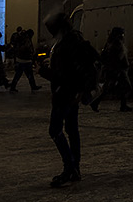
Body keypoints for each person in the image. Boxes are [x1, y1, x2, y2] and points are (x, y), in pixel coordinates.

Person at [38, 12, 99, 188]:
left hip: (65, 93)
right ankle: (74, 168)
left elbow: (64, 76)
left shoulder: (67, 44)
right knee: (72, 130)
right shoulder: (74, 40)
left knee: (55, 130)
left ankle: (70, 168)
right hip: (73, 93)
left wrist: (44, 72)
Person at [91, 27, 132, 112]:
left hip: (114, 69)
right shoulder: (117, 43)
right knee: (125, 86)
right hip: (118, 69)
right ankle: (122, 105)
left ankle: (96, 102)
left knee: (110, 88)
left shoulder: (111, 43)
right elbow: (118, 57)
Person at [7, 28, 41, 93]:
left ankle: (13, 87)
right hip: (26, 59)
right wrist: (31, 54)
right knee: (29, 74)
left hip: (20, 59)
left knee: (18, 74)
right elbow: (27, 48)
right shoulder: (27, 40)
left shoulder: (21, 38)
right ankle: (33, 86)